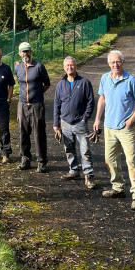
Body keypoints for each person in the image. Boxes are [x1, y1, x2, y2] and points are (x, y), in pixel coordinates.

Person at [94, 50, 135, 211]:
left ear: (123, 62)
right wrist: (97, 119)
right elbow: (102, 99)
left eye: (118, 62)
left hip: (125, 128)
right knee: (110, 160)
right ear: (108, 64)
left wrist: (131, 119)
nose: (115, 65)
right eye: (112, 62)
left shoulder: (131, 80)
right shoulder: (105, 78)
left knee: (131, 161)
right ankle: (117, 187)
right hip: (109, 127)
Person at [53, 56, 97, 189]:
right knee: (69, 149)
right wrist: (56, 124)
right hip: (65, 122)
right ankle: (73, 170)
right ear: (64, 68)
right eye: (67, 66)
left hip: (80, 122)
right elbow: (56, 105)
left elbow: (91, 102)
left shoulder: (84, 82)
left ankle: (88, 175)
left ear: (76, 66)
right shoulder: (60, 84)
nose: (69, 68)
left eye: (72, 65)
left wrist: (85, 117)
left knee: (85, 150)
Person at [14, 41, 51, 172]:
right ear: (19, 53)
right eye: (23, 51)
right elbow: (20, 83)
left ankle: (41, 162)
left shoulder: (39, 67)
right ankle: (25, 160)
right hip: (22, 104)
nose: (26, 53)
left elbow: (47, 83)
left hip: (36, 105)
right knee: (23, 132)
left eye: (28, 51)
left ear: (31, 52)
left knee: (38, 133)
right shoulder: (17, 68)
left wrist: (38, 94)